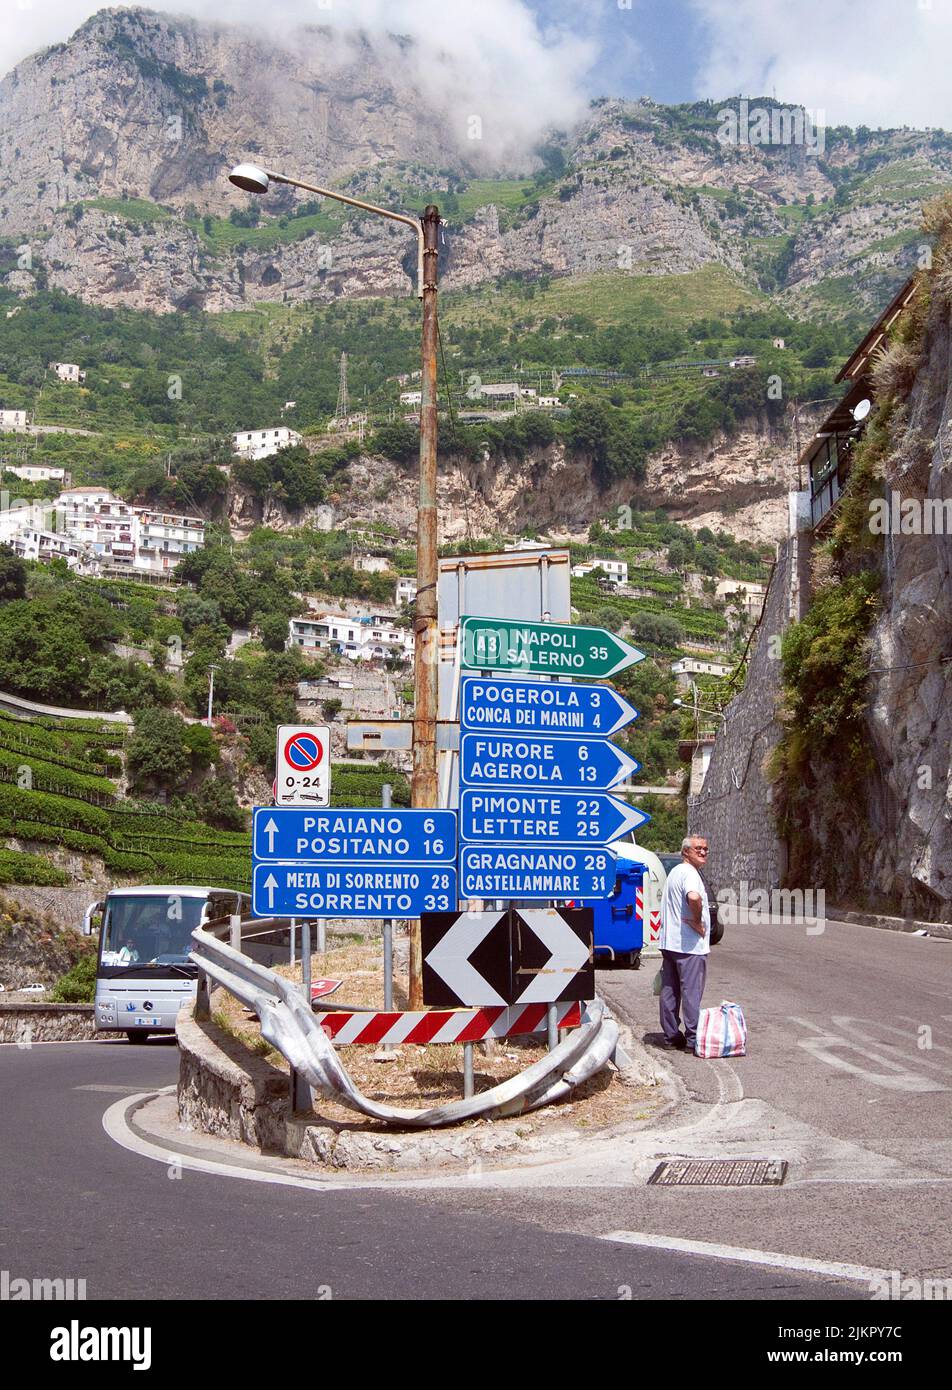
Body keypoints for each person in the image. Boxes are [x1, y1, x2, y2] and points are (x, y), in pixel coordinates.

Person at [658, 834, 710, 1051]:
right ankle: (692, 1038)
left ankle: (670, 1036)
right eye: (698, 848)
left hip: (670, 943)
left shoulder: (675, 872)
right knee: (691, 992)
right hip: (688, 946)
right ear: (686, 851)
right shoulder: (690, 873)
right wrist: (698, 922)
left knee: (669, 990)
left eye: (706, 849)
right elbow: (694, 897)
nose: (703, 852)